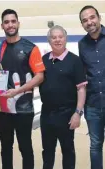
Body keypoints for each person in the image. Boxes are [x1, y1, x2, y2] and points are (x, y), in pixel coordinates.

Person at [0, 9, 45, 169]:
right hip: (3, 108)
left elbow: (40, 76)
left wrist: (17, 91)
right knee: (6, 148)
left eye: (13, 21)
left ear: (18, 23)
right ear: (2, 25)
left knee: (25, 147)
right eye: (7, 22)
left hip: (24, 108)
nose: (10, 25)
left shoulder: (31, 48)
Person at [39, 25, 87, 169]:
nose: (57, 40)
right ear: (49, 41)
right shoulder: (44, 59)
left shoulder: (75, 61)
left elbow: (81, 88)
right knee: (47, 151)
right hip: (46, 114)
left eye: (60, 37)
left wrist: (77, 113)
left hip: (66, 114)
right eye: (54, 37)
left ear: (66, 39)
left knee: (68, 151)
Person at [78, 5, 105, 169]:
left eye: (92, 17)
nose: (89, 22)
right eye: (85, 20)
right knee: (95, 145)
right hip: (93, 105)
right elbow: (83, 74)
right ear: (82, 24)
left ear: (99, 17)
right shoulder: (82, 44)